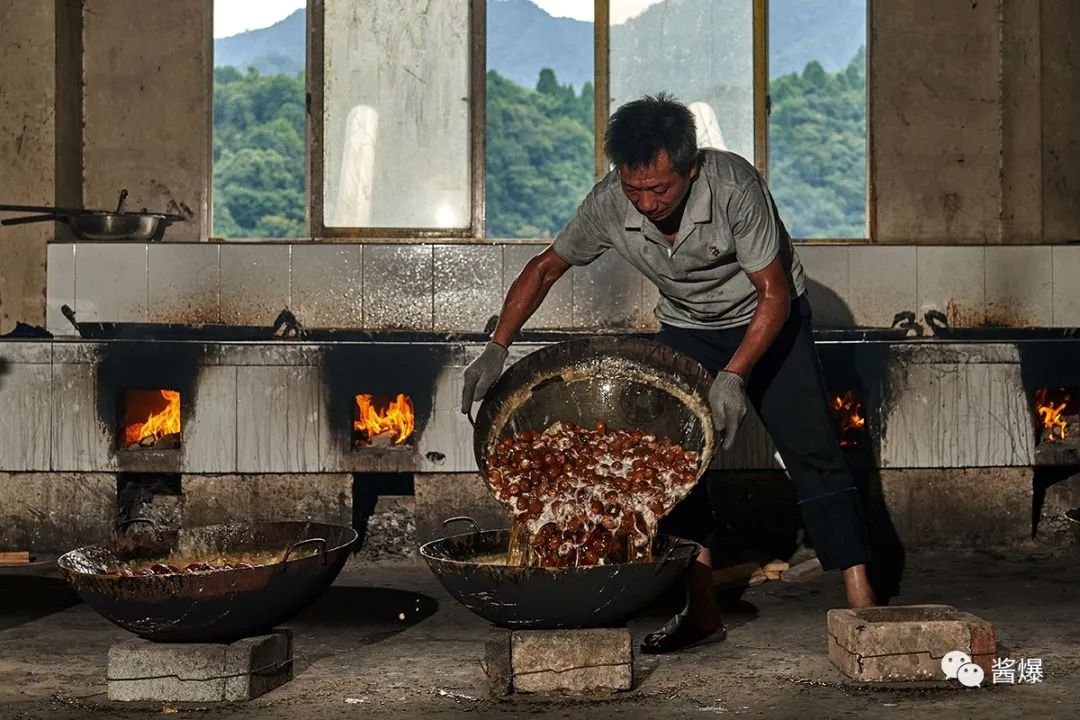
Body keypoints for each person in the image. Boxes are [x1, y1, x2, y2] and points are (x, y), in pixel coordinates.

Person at [460, 92, 876, 654]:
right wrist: (496, 346)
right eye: (635, 190)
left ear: (691, 167)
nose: (648, 203)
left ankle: (864, 608)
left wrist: (734, 375)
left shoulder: (735, 189)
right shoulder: (610, 203)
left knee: (813, 451)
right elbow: (544, 268)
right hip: (687, 327)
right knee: (672, 466)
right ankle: (702, 615)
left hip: (768, 318)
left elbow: (774, 294)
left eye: (660, 189)